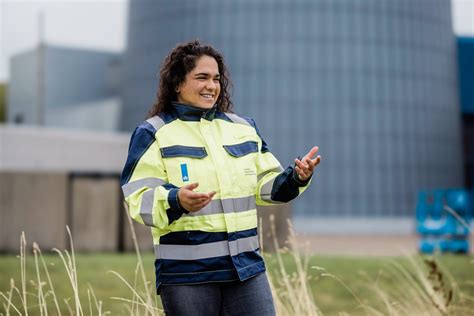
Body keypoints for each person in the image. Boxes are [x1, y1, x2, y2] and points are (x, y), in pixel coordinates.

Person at [120, 40, 321, 316]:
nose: (211, 85)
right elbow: (138, 199)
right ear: (177, 83)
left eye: (216, 78)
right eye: (201, 77)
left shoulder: (243, 128)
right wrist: (176, 200)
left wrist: (296, 178)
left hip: (246, 272)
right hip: (187, 277)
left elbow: (267, 187)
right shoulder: (153, 133)